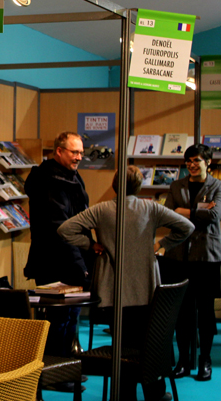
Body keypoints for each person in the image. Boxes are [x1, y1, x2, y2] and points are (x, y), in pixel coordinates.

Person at [57, 165, 194, 401]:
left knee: (122, 344)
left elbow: (65, 229)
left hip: (113, 290)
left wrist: (91, 245)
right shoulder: (150, 207)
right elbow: (187, 227)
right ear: (139, 186)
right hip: (146, 286)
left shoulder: (101, 209)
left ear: (114, 184)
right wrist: (161, 245)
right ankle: (154, 392)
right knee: (148, 342)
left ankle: (125, 393)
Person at [24, 131, 93, 358]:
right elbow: (60, 228)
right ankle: (55, 369)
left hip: (72, 259)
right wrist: (80, 262)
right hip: (54, 262)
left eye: (81, 152)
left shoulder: (72, 176)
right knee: (59, 320)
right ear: (59, 151)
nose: (79, 157)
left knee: (71, 317)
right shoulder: (48, 181)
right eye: (74, 152)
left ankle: (66, 366)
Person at [162, 144, 221, 382]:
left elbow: (214, 216)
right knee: (182, 312)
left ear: (208, 162)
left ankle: (205, 360)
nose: (192, 165)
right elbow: (168, 214)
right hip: (179, 257)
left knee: (205, 311)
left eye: (197, 161)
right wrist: (198, 211)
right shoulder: (176, 185)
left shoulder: (218, 186)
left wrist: (184, 210)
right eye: (188, 161)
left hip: (207, 257)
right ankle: (183, 361)